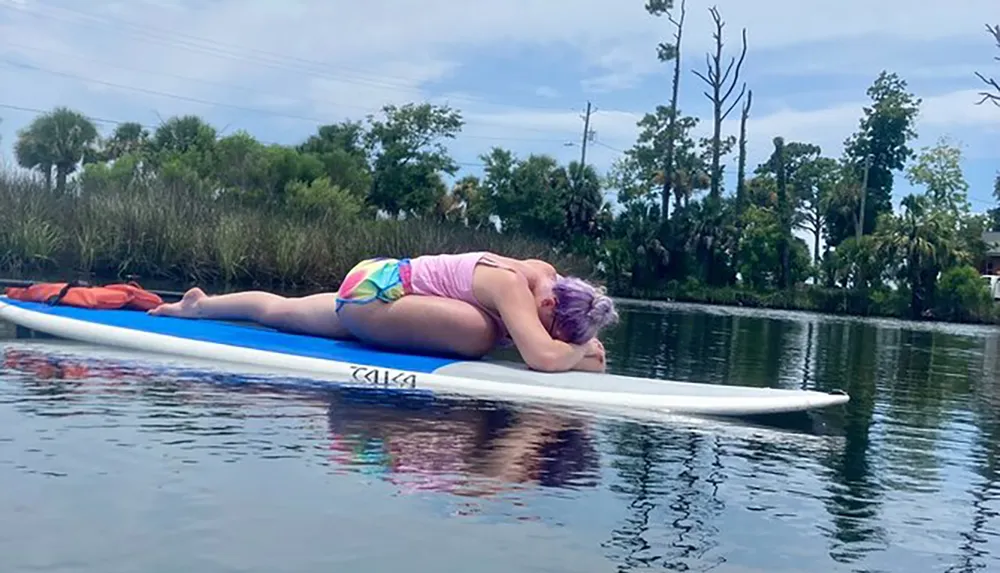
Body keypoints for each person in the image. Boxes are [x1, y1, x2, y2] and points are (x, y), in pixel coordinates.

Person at [149, 251, 618, 372]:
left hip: (376, 282)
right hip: (378, 298)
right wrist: (574, 352)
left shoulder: (544, 277)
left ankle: (200, 306)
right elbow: (543, 358)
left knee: (280, 311)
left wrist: (576, 345)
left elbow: (556, 349)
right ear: (551, 303)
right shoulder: (514, 285)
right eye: (554, 327)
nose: (548, 334)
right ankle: (202, 306)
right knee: (482, 334)